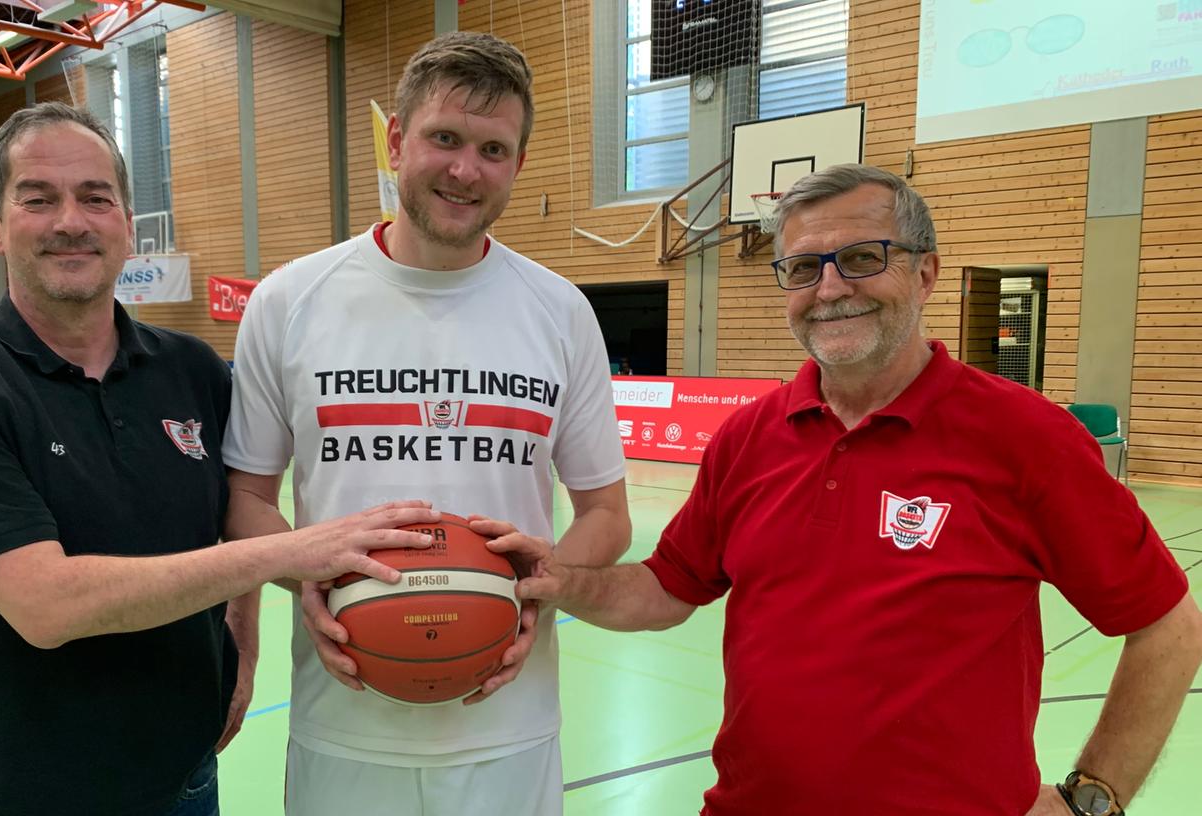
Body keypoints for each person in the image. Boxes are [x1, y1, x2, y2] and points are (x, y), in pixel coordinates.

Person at [494, 164, 1202, 816]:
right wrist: (564, 581)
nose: (830, 289)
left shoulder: (1027, 438)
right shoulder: (747, 439)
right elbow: (666, 588)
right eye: (803, 268)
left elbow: (1168, 625)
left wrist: (1092, 798)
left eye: (863, 259)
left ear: (924, 274)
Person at [0, 102, 442, 816]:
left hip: (185, 778)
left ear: (124, 224)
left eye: (95, 198)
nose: (70, 221)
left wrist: (245, 640)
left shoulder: (191, 370)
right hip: (23, 788)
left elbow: (237, 510)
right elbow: (45, 603)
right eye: (38, 199)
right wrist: (295, 553)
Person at [223, 32, 631, 816]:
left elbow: (607, 513)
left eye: (494, 149)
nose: (465, 169)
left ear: (516, 163)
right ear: (398, 141)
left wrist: (543, 589)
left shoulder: (560, 311)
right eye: (444, 138)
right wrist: (303, 570)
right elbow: (244, 497)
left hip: (508, 724)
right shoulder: (290, 299)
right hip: (343, 723)